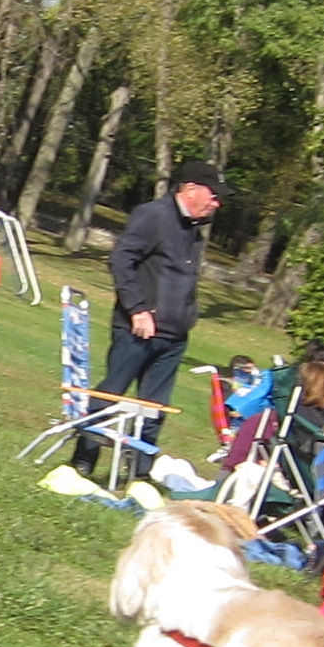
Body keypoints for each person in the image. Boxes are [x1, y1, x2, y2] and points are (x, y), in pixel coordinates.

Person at [88, 163, 221, 483]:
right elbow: (121, 259)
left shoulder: (194, 229)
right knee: (110, 396)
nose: (216, 204)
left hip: (174, 336)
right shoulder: (153, 215)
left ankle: (139, 474)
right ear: (190, 189)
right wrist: (138, 309)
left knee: (155, 408)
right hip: (138, 331)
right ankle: (83, 461)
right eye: (213, 196)